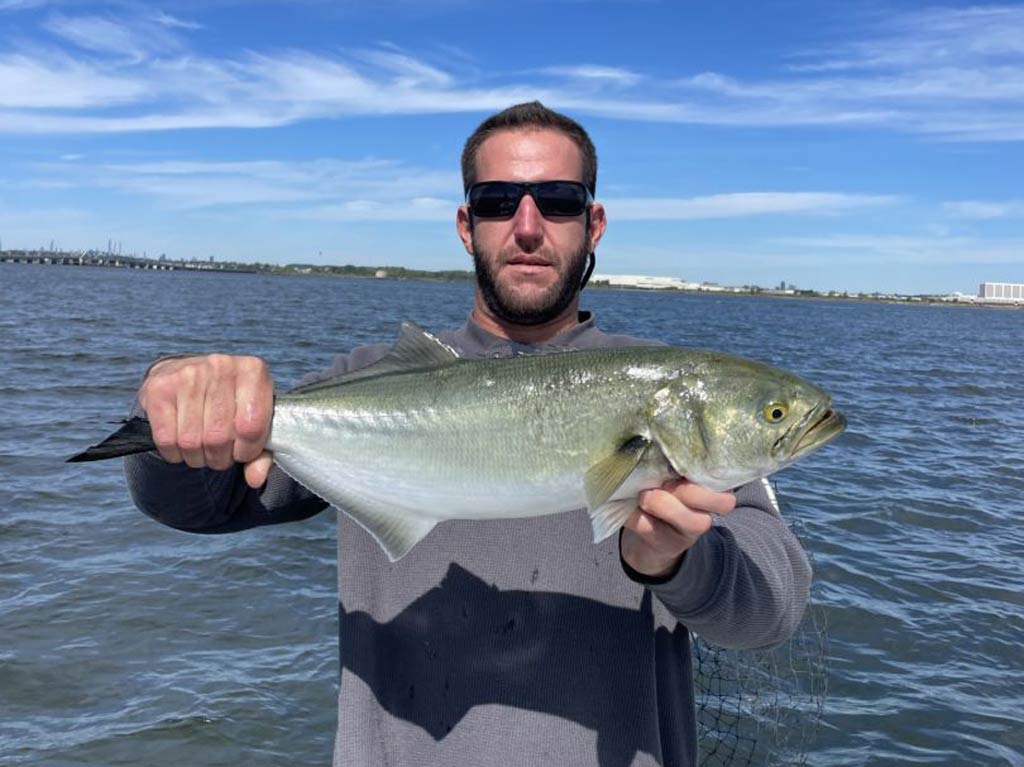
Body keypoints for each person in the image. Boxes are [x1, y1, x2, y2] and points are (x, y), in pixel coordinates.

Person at [124, 102, 811, 767]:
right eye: (497, 200)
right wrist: (174, 410)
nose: (529, 225)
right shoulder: (367, 379)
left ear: (594, 223)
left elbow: (770, 609)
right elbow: (197, 503)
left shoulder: (668, 393)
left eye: (560, 200)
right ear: (465, 223)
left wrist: (675, 561)